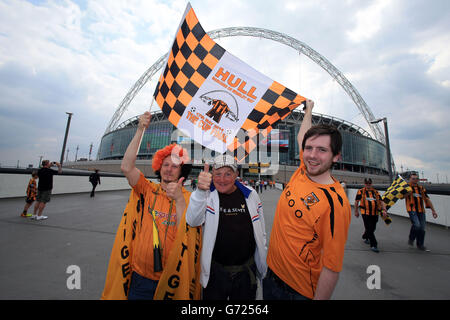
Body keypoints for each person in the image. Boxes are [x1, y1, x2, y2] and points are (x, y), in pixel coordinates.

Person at [264, 99, 351, 300]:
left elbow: (331, 267)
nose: (312, 155)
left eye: (322, 150)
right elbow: (303, 136)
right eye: (309, 148)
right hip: (270, 276)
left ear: (336, 156)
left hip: (296, 292)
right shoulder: (303, 171)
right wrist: (309, 110)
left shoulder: (335, 205)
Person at [119, 111, 193, 299]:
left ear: (181, 170)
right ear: (159, 167)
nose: (169, 169)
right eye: (166, 165)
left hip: (172, 279)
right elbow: (126, 167)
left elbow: (186, 233)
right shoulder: (147, 189)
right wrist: (140, 130)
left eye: (175, 166)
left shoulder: (188, 198)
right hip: (141, 277)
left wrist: (178, 199)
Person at [185, 154, 267, 300]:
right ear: (212, 174)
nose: (222, 179)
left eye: (228, 174)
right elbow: (192, 221)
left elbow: (262, 232)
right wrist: (200, 192)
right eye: (218, 174)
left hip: (245, 272)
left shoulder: (251, 195)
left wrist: (262, 261)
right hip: (215, 272)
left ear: (236, 174)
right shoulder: (206, 194)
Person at [405, 173, 438, 251]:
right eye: (413, 179)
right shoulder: (407, 187)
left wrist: (433, 211)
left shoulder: (421, 188)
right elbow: (401, 197)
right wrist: (408, 193)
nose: (415, 180)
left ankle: (420, 244)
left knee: (422, 228)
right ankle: (411, 238)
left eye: (416, 179)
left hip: (421, 210)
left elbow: (427, 199)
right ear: (410, 179)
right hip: (411, 209)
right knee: (417, 225)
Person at [354, 178, 387, 253]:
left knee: (373, 228)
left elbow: (381, 202)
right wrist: (356, 211)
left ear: (371, 183)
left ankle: (365, 236)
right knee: (369, 228)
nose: (368, 185)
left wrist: (384, 210)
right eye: (366, 183)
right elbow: (356, 202)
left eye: (369, 183)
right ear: (364, 184)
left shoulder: (376, 192)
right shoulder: (361, 191)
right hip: (365, 213)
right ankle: (374, 245)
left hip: (375, 213)